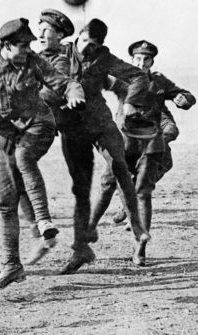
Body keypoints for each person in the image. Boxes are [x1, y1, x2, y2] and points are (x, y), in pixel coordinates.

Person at [0, 17, 84, 291]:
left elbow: (64, 82)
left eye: (30, 44)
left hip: (39, 125)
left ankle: (43, 220)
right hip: (5, 135)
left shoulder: (34, 63)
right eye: (22, 46)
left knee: (23, 158)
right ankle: (11, 265)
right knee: (5, 201)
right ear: (6, 46)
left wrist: (75, 93)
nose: (28, 50)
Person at [40, 16, 154, 273]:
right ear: (76, 36)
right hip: (72, 128)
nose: (85, 48)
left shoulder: (104, 57)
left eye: (92, 44)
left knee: (119, 167)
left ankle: (138, 229)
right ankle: (81, 250)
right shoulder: (58, 53)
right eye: (82, 41)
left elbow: (137, 76)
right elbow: (38, 81)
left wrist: (130, 101)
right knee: (81, 190)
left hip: (100, 122)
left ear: (100, 44)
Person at [90, 40, 194, 265]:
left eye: (146, 59)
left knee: (143, 193)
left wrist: (183, 99)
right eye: (137, 59)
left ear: (152, 62)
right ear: (131, 60)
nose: (142, 62)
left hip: (148, 143)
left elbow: (185, 95)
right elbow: (94, 81)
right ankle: (89, 230)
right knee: (107, 183)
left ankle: (140, 248)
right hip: (122, 143)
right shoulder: (121, 79)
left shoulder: (158, 81)